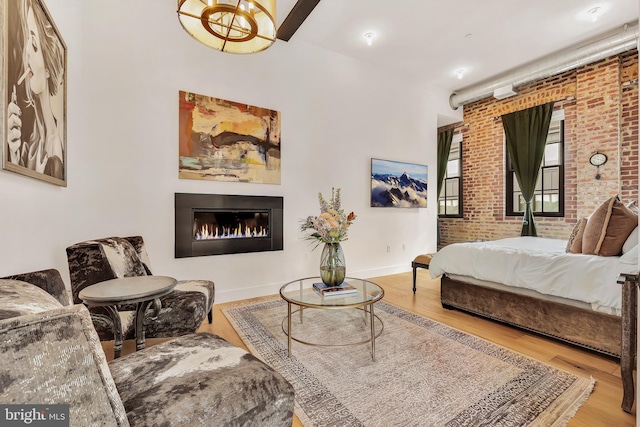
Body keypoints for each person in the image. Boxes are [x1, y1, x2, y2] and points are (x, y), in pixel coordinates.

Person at [6, 0, 65, 180]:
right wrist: (13, 154)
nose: (27, 54)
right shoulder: (31, 141)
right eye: (27, 42)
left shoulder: (56, 152)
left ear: (47, 69)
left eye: (34, 45)